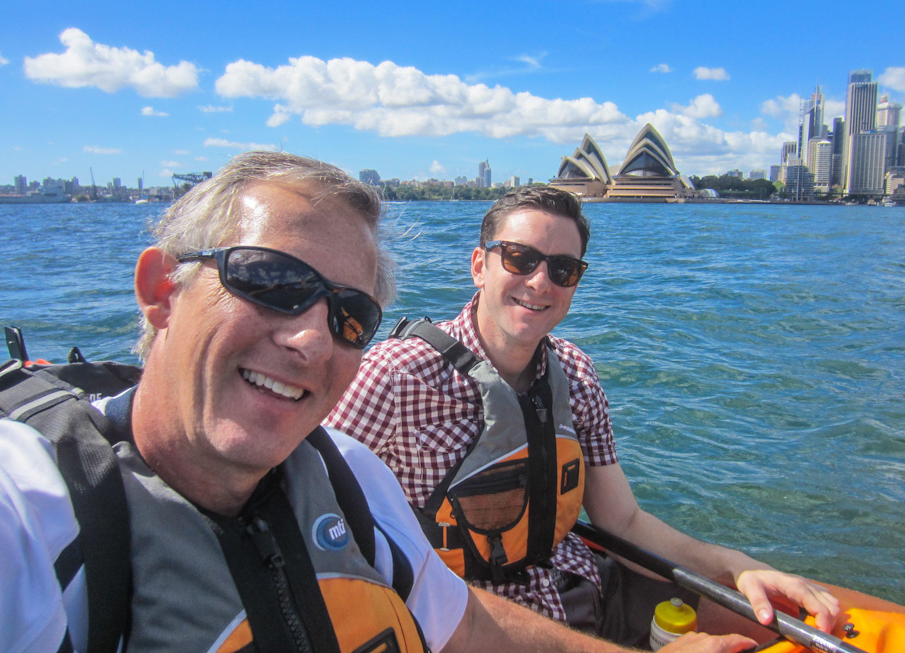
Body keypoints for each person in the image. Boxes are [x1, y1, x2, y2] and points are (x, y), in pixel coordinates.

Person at [0, 153, 756, 653]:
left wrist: (733, 565)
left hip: (566, 600)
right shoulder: (30, 513)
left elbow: (592, 536)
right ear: (163, 291)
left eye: (347, 316)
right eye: (268, 279)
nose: (308, 341)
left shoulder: (347, 478)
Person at [326, 185, 840, 647]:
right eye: (520, 258)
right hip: (466, 622)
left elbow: (623, 520)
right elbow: (322, 527)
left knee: (771, 626)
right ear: (479, 265)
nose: (540, 281)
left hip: (578, 588)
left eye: (562, 269)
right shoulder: (393, 376)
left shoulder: (573, 371)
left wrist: (734, 566)